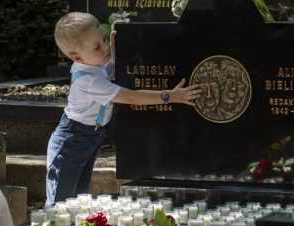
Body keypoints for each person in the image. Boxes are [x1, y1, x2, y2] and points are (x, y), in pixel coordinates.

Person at [47, 12, 201, 205]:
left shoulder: (93, 65)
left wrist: (115, 46)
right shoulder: (88, 81)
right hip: (71, 141)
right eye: (97, 47)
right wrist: (171, 96)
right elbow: (131, 96)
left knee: (77, 197)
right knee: (59, 202)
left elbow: (109, 69)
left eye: (103, 39)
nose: (104, 48)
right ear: (76, 57)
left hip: (89, 137)